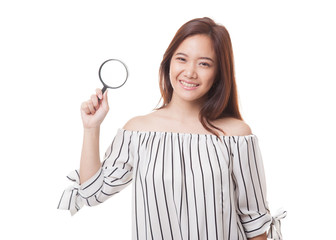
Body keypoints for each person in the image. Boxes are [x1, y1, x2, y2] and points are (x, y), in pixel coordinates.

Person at [58, 17, 286, 240]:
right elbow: (91, 193)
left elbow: (254, 223)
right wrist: (91, 128)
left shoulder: (237, 136)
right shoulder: (138, 131)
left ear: (218, 73)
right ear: (168, 63)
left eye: (204, 63)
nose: (190, 72)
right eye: (182, 59)